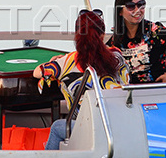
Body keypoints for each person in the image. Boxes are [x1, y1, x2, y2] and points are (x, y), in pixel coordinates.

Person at [34, 10, 129, 150]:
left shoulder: (66, 62)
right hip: (118, 125)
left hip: (87, 130)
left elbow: (37, 72)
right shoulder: (117, 57)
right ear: (102, 35)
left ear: (77, 36)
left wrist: (54, 61)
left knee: (57, 127)